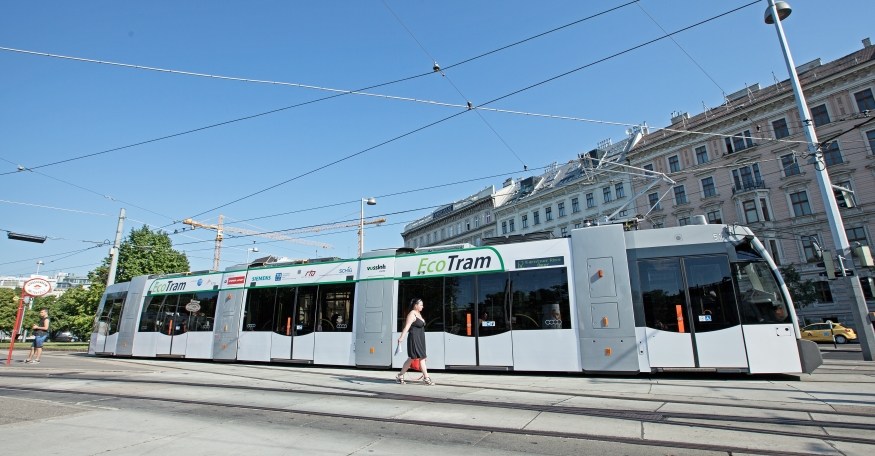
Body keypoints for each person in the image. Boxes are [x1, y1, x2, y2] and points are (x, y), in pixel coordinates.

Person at [396, 298, 434, 386]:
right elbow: (407, 327)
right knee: (417, 357)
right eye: (421, 305)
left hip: (420, 338)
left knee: (417, 357)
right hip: (414, 338)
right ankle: (426, 378)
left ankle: (401, 375)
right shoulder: (412, 314)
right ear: (415, 305)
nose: (422, 307)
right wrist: (401, 337)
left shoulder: (418, 314)